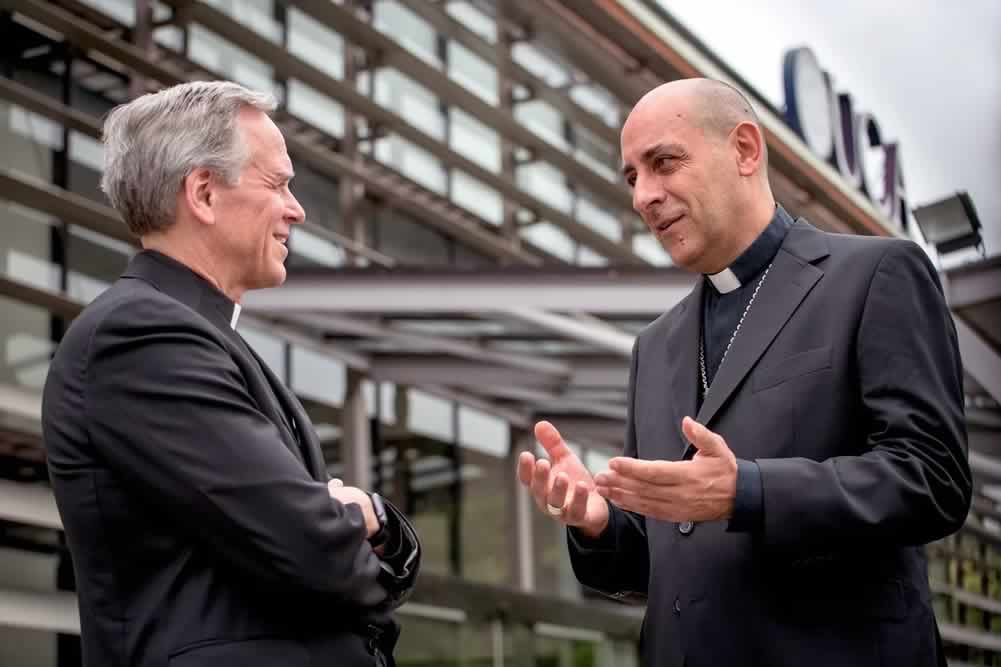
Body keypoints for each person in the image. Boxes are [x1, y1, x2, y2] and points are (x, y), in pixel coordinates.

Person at [517, 78, 971, 667]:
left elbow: (933, 479)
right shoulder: (652, 348)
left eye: (664, 163)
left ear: (746, 150)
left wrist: (748, 491)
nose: (643, 197)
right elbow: (665, 565)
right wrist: (599, 523)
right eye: (632, 177)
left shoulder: (877, 274)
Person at [42, 81, 419, 667]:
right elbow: (311, 546)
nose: (296, 208)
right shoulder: (143, 338)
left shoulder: (188, 337)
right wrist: (369, 516)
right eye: (278, 183)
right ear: (204, 193)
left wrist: (367, 528)